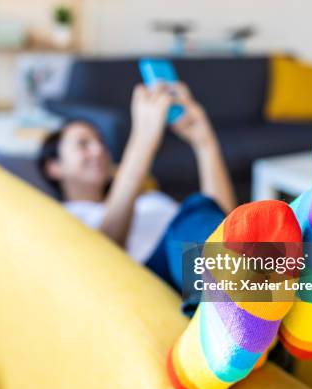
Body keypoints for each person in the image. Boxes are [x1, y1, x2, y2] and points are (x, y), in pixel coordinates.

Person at [37, 83, 236, 306]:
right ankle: (251, 290)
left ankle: (256, 287)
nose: (99, 150)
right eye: (83, 144)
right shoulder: (68, 216)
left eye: (100, 142)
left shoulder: (146, 198)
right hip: (164, 267)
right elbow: (106, 250)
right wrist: (144, 137)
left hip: (206, 259)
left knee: (212, 216)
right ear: (53, 167)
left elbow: (220, 216)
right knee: (192, 216)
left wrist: (204, 141)